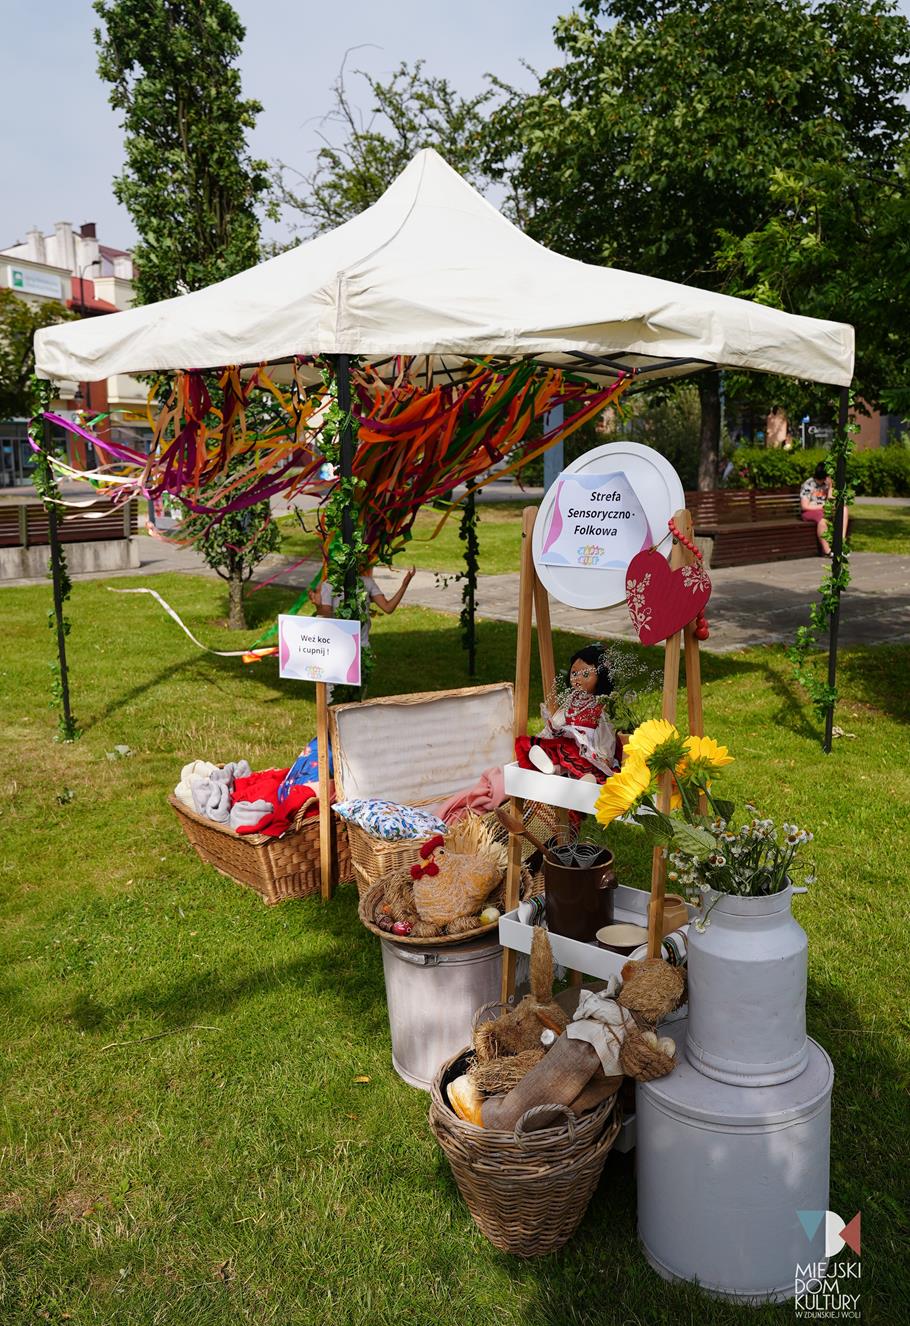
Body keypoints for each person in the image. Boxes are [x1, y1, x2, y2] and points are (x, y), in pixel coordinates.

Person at [515, 644, 618, 781]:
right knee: (556, 747)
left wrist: (604, 756)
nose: (577, 678)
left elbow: (606, 734)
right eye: (574, 673)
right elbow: (559, 720)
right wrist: (550, 731)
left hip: (589, 750)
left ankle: (585, 778)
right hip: (567, 743)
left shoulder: (600, 707)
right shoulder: (572, 700)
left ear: (601, 677)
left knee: (577, 755)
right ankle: (552, 768)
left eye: (585, 674)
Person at [310, 564, 416, 645]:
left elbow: (388, 608)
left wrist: (404, 585)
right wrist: (318, 605)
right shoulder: (329, 584)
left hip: (362, 644)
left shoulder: (367, 582)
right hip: (338, 644)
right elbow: (326, 616)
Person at [799, 463, 848, 557]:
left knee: (843, 509)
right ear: (825, 476)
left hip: (824, 509)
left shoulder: (827, 484)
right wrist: (824, 506)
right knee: (823, 520)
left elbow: (831, 500)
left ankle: (840, 544)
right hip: (810, 511)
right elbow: (805, 506)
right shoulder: (808, 484)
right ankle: (827, 551)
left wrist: (830, 487)